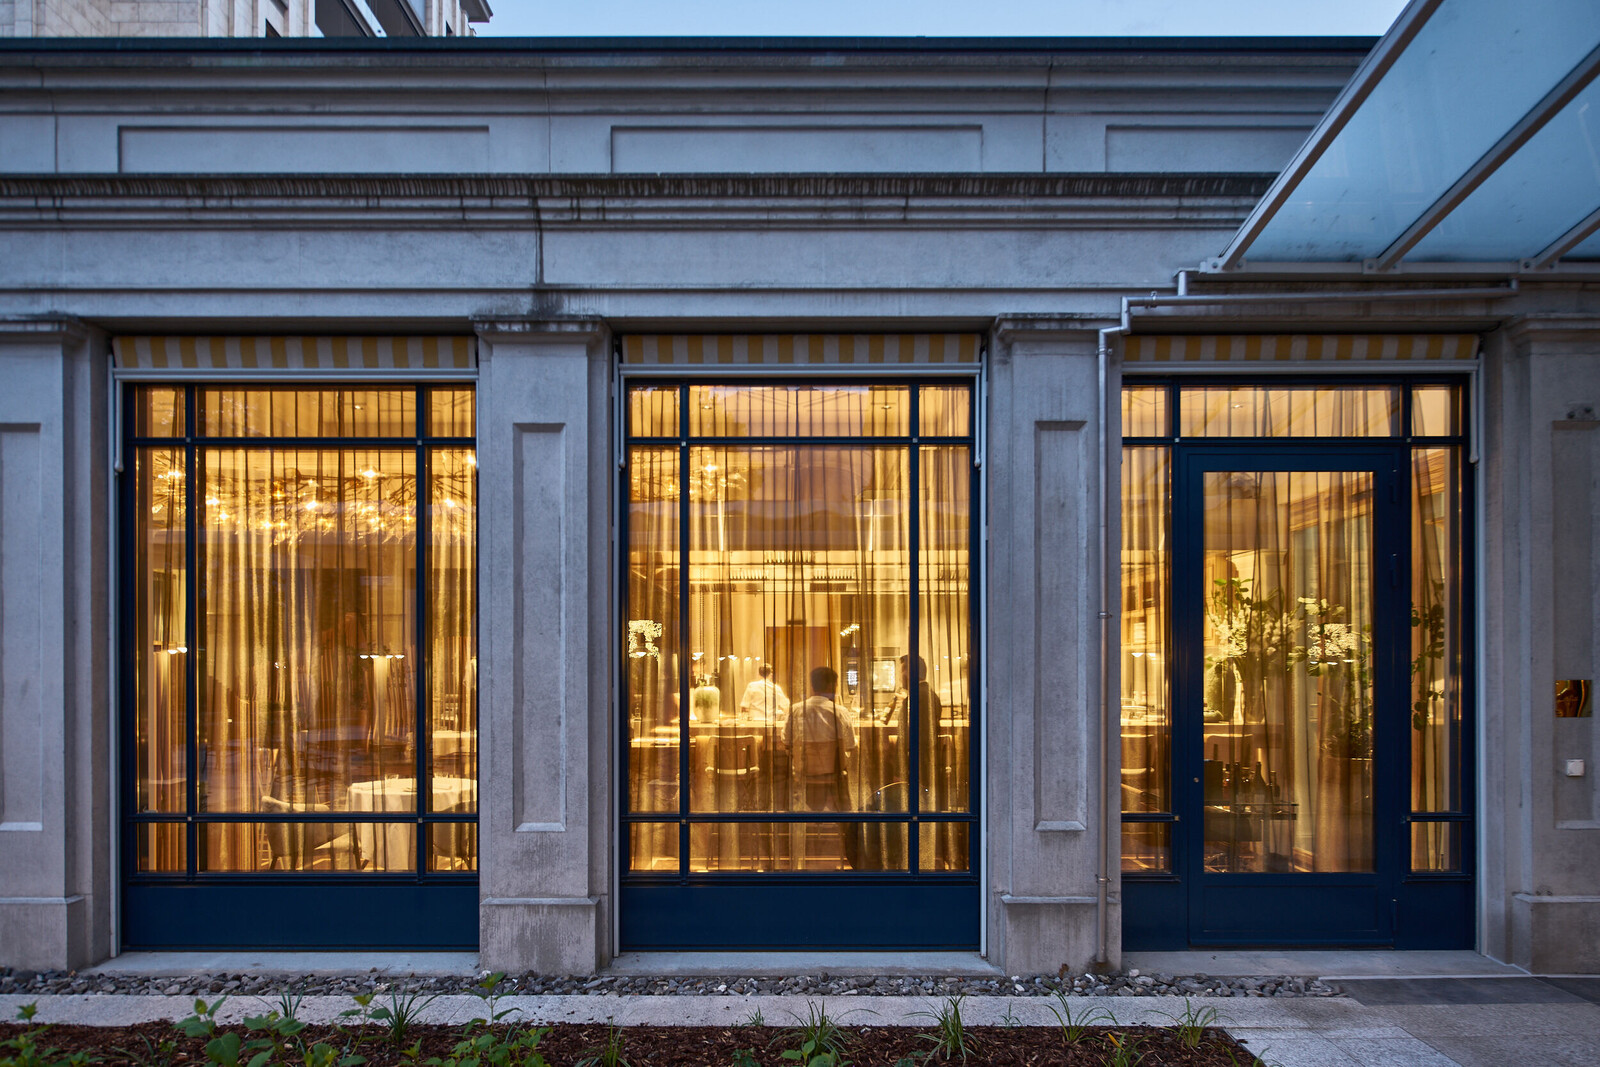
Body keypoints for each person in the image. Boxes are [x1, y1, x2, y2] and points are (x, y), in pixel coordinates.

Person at [784, 666, 856, 812]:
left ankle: (797, 824)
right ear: (831, 685)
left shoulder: (795, 709)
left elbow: (786, 741)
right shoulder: (840, 712)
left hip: (803, 773)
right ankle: (846, 823)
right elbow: (850, 744)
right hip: (833, 775)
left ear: (812, 685)